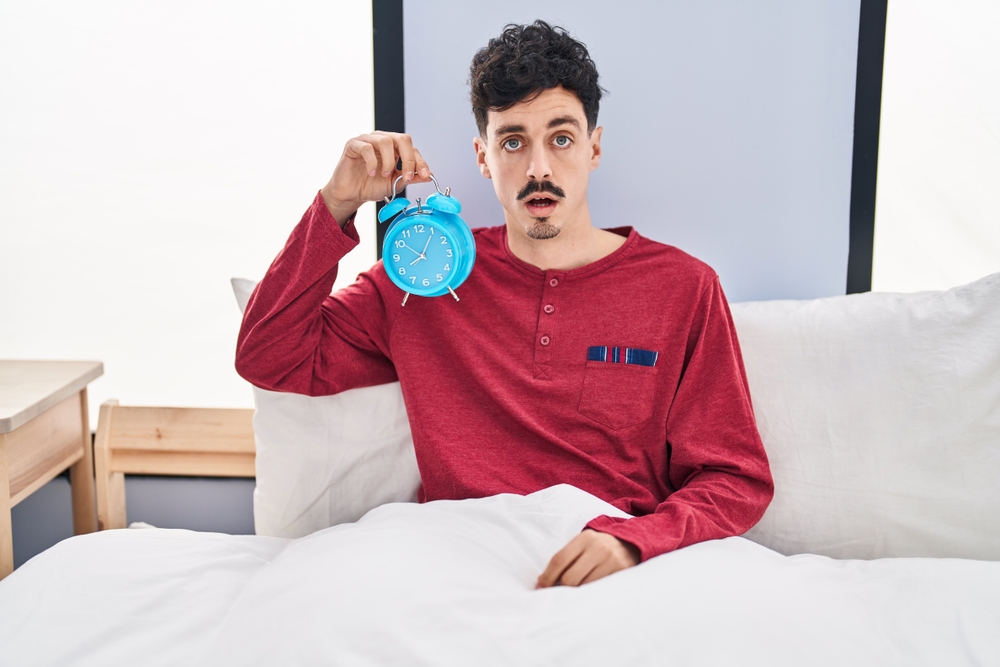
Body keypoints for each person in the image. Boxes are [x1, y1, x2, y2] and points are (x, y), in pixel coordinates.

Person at [236, 20, 773, 588]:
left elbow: (735, 477)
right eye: (513, 142)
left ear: (593, 147)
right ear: (483, 157)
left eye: (561, 138)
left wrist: (635, 540)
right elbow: (269, 356)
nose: (539, 168)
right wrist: (337, 203)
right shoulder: (422, 278)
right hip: (452, 560)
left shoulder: (683, 288)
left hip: (607, 567)